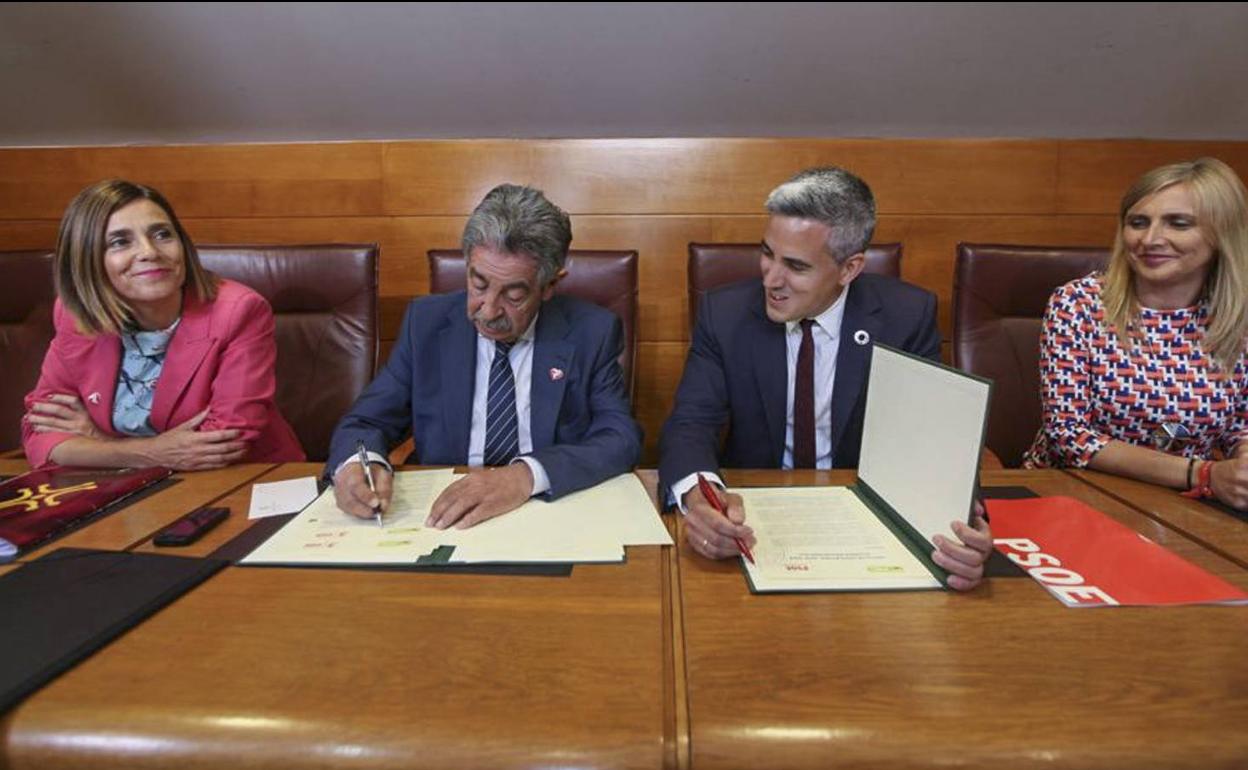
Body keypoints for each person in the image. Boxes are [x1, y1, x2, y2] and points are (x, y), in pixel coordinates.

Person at [659, 166, 992, 590]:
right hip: (756, 521)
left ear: (849, 268)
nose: (771, 279)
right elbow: (691, 422)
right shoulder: (724, 314)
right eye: (767, 254)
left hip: (866, 526)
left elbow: (933, 437)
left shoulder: (906, 317)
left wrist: (963, 526)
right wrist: (696, 496)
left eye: (796, 266)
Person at [328, 183, 641, 529]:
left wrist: (524, 476)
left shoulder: (591, 332)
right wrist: (361, 464)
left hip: (547, 512)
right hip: (444, 513)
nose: (489, 311)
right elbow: (366, 422)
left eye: (514, 295)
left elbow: (619, 438)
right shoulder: (426, 324)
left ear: (550, 285)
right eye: (478, 285)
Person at [22, 179, 305, 469]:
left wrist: (100, 442)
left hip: (244, 480)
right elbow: (40, 434)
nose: (149, 251)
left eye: (162, 234)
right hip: (126, 487)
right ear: (85, 260)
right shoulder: (75, 314)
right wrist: (146, 451)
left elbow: (223, 443)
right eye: (120, 242)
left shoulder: (238, 311)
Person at [1025, 157, 1248, 510]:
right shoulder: (1078, 304)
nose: (1150, 239)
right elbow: (1069, 436)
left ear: (1222, 234)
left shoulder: (1239, 317)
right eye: (1138, 223)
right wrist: (1203, 474)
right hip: (1077, 495)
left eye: (1178, 223)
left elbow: (1239, 424)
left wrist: (1242, 465)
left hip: (1191, 507)